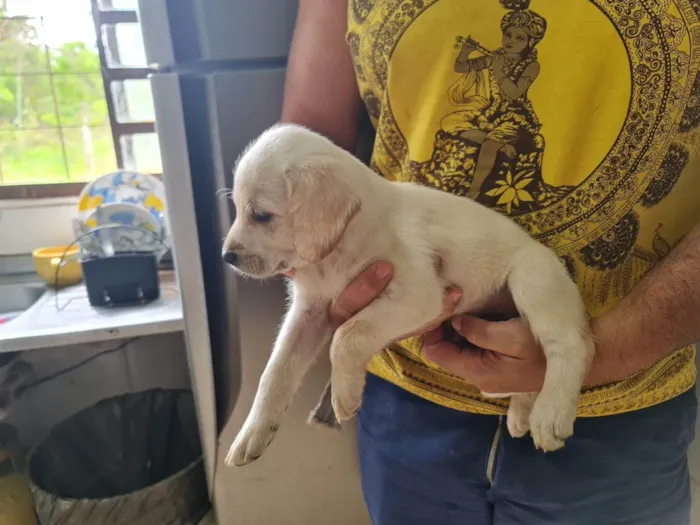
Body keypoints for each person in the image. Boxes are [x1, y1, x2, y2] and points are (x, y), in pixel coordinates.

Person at [281, 0, 700, 523]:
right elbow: (312, 137)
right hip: (408, 393)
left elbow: (516, 89)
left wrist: (602, 353)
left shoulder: (521, 62)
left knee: (490, 141)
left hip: (619, 407)